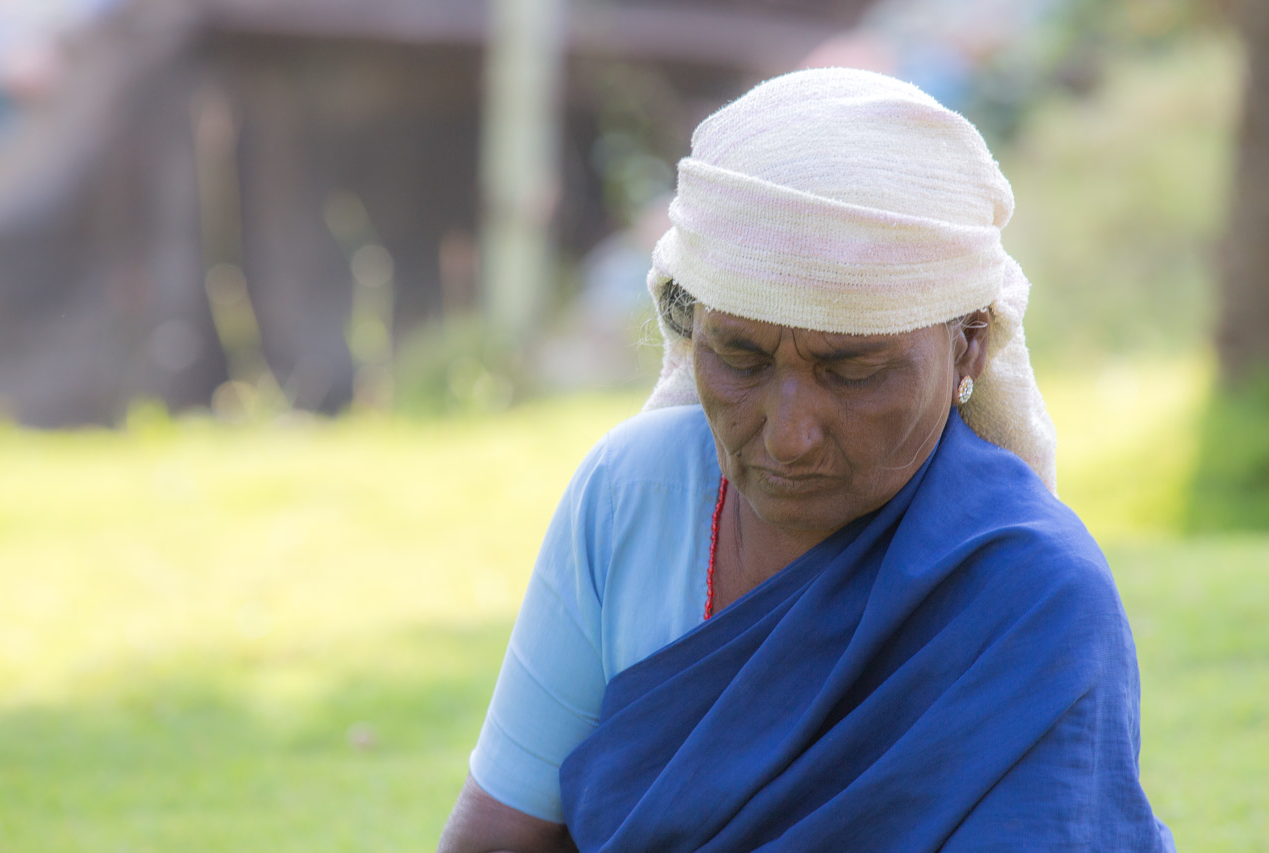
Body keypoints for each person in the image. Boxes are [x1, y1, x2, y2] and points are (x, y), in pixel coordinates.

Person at [439, 68, 1175, 852]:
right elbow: (498, 834)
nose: (789, 435)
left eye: (852, 370)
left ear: (967, 344)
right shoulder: (632, 493)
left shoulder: (1030, 591)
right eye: (741, 358)